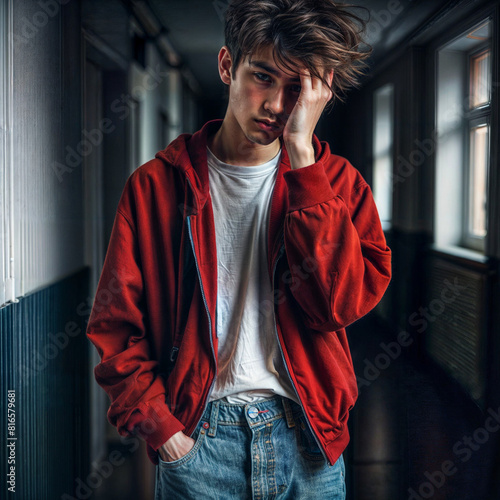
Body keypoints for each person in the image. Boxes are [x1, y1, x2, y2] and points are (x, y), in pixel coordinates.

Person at [86, 0, 392, 498]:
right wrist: (163, 431)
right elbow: (116, 326)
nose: (275, 104)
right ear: (228, 65)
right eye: (264, 77)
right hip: (199, 440)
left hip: (309, 441)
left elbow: (337, 306)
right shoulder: (156, 186)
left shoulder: (337, 185)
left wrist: (302, 158)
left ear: (319, 94)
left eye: (297, 89)